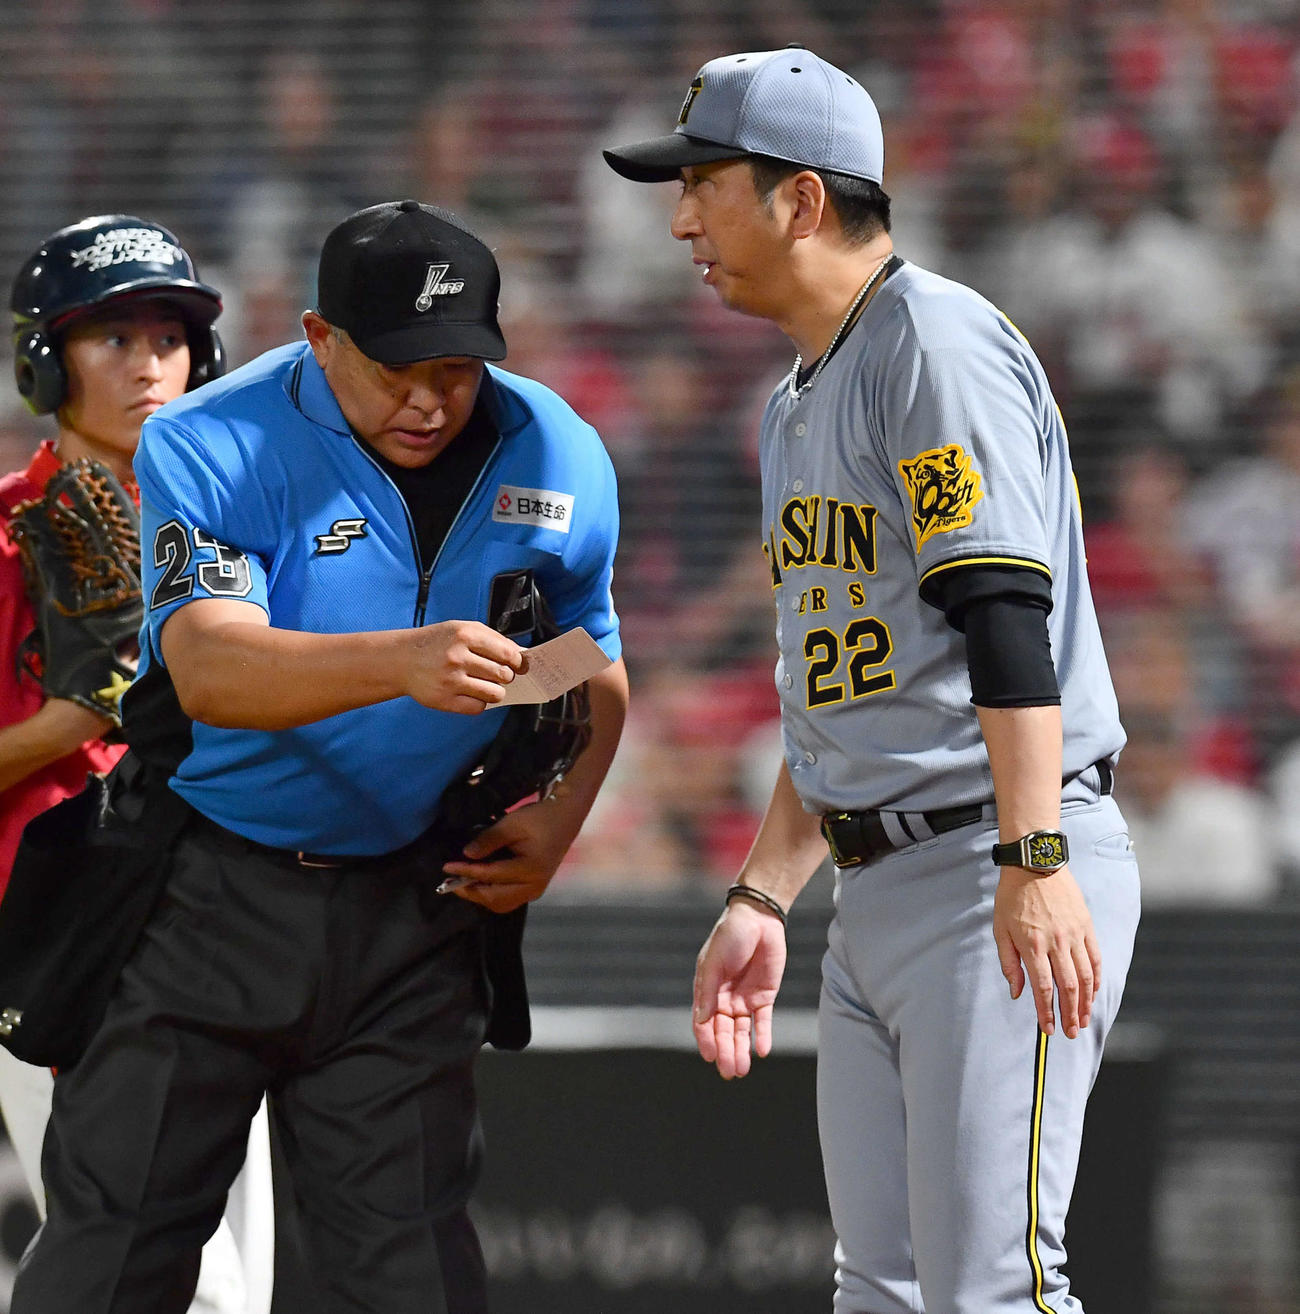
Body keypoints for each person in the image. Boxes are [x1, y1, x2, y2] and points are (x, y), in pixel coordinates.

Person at [8, 198, 627, 1314]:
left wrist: (559, 818)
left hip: (411, 905)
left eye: (458, 366)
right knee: (115, 1259)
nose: (430, 399)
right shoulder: (212, 438)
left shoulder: (559, 451)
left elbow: (589, 656)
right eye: (395, 366)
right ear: (319, 336)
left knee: (414, 1277)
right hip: (203, 892)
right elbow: (210, 669)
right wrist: (403, 662)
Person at [604, 47, 1140, 1314]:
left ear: (799, 198)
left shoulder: (931, 344)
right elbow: (840, 688)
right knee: (884, 1292)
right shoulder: (795, 398)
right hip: (878, 886)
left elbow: (1005, 616)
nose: (681, 216)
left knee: (992, 1288)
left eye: (705, 184)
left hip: (984, 870)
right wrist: (761, 893)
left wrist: (1035, 858)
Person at [0, 214, 274, 1314]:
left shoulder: (234, 534)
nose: (149, 361)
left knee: (233, 1291)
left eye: (168, 334)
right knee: (154, 1275)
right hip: (62, 940)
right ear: (45, 362)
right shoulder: (8, 538)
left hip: (227, 920)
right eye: (109, 337)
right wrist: (79, 717)